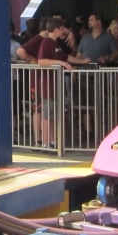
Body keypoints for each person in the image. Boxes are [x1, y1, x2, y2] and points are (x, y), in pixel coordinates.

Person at [36, 18, 75, 150]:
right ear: (57, 29)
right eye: (62, 28)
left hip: (57, 85)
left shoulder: (56, 44)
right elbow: (41, 60)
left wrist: (81, 61)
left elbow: (66, 57)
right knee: (47, 114)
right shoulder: (46, 43)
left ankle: (52, 140)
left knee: (54, 114)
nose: (63, 31)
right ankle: (46, 142)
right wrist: (60, 63)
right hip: (49, 85)